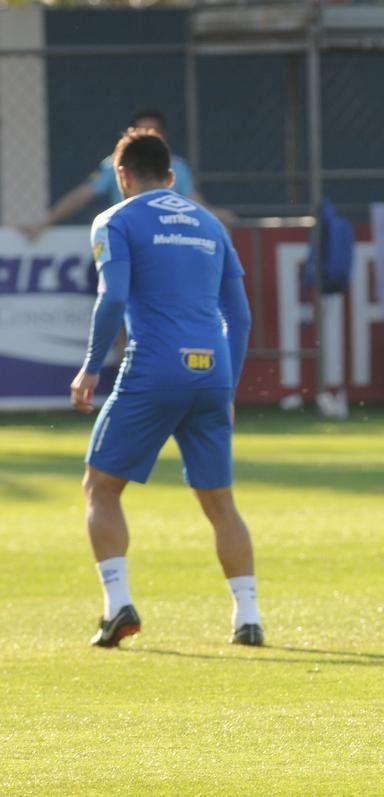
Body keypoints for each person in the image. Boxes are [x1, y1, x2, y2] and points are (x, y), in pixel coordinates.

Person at [70, 127, 262, 647]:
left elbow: (113, 297)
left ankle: (117, 606)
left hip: (153, 367)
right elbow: (239, 317)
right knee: (219, 501)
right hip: (211, 372)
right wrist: (227, 390)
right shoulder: (210, 224)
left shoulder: (115, 219)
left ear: (122, 176)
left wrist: (90, 366)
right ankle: (247, 616)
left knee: (101, 487)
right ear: (172, 178)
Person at [20, 108, 234, 241]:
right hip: (130, 240)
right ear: (124, 175)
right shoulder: (114, 164)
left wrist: (217, 216)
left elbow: (195, 203)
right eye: (140, 133)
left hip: (167, 242)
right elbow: (82, 195)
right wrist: (44, 223)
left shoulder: (178, 166)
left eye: (152, 133)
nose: (146, 138)